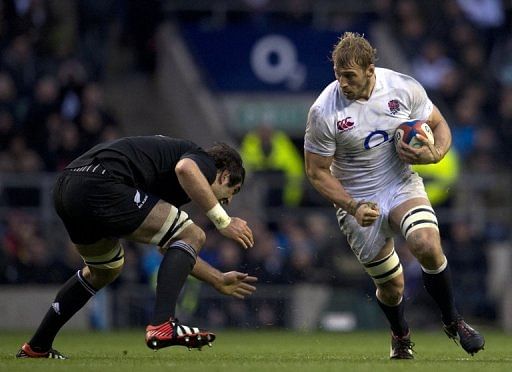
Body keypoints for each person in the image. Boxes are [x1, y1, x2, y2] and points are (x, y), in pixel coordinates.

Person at [304, 32, 484, 359]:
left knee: (426, 244)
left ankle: (453, 320)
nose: (342, 83)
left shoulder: (402, 87)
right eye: (337, 75)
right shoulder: (323, 111)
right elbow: (316, 171)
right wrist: (352, 205)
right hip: (356, 199)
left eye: (350, 76)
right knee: (392, 286)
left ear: (370, 70)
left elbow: (439, 124)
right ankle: (401, 334)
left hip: (399, 183)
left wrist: (436, 154)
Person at [16, 135, 256, 359]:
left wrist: (217, 279)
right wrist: (223, 220)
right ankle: (162, 325)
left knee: (105, 269)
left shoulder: (173, 184)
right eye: (232, 191)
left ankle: (37, 346)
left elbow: (171, 248)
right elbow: (186, 169)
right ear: (224, 175)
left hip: (67, 188)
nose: (229, 201)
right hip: (101, 182)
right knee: (194, 233)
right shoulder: (202, 160)